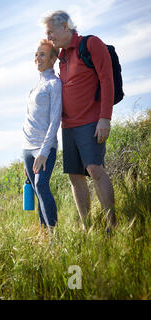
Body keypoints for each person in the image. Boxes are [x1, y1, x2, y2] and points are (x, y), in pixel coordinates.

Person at [42, 10, 116, 232]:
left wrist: (105, 118)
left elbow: (107, 79)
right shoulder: (62, 56)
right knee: (75, 177)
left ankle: (112, 226)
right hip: (69, 127)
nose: (49, 38)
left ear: (65, 26)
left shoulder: (91, 44)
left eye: (50, 32)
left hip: (91, 122)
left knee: (95, 169)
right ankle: (88, 226)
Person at [22, 39, 62, 232]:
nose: (38, 57)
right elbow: (29, 119)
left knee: (42, 185)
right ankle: (43, 236)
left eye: (43, 54)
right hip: (28, 148)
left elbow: (55, 121)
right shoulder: (35, 86)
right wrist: (26, 155)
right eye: (36, 54)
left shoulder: (54, 84)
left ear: (53, 59)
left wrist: (44, 151)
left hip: (44, 148)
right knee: (37, 191)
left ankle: (54, 237)